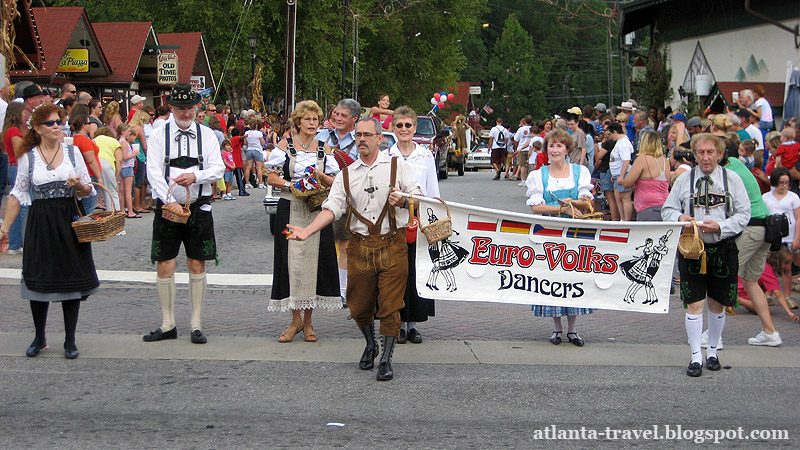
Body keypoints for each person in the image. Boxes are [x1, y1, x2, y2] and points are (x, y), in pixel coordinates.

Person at [286, 117, 423, 381]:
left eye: (367, 135)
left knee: (390, 306)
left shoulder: (398, 166)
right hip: (360, 248)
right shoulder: (347, 174)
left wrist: (404, 201)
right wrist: (306, 230)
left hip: (393, 244)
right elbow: (332, 208)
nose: (361, 139)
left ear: (379, 138)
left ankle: (385, 358)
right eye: (358, 135)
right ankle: (370, 344)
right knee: (359, 306)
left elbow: (418, 195)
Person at [0, 104, 99, 359]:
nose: (57, 126)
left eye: (59, 121)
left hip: (68, 217)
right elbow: (18, 194)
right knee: (39, 277)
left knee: (70, 277)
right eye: (51, 123)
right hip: (40, 220)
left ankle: (70, 339)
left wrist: (79, 186)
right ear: (37, 128)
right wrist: (5, 228)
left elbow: (89, 189)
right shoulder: (28, 156)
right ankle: (39, 336)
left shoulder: (73, 151)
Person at [662, 133, 751, 377]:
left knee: (718, 302)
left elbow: (744, 214)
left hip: (723, 247)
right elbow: (667, 209)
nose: (705, 157)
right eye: (700, 152)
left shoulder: (732, 179)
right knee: (694, 303)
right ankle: (695, 357)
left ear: (720, 154)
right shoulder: (684, 180)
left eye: (710, 152)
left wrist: (721, 227)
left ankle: (712, 352)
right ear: (694, 154)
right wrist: (679, 218)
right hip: (692, 248)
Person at [142, 83, 224, 345]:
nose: (186, 113)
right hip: (167, 211)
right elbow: (152, 171)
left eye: (190, 108)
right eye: (181, 108)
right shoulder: (158, 134)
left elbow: (218, 169)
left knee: (196, 262)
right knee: (165, 262)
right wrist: (169, 201)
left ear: (196, 107)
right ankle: (168, 324)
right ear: (171, 108)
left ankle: (196, 324)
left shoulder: (208, 135)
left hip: (199, 207)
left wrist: (195, 175)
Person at [264, 100, 342, 342]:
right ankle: (294, 321)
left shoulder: (325, 149)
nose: (312, 124)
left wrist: (319, 178)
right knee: (291, 264)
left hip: (317, 210)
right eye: (307, 119)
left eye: (315, 120)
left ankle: (308, 323)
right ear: (298, 121)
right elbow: (270, 177)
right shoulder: (284, 145)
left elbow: (336, 181)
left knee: (314, 264)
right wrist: (293, 186)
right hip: (290, 208)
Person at [525, 129, 594, 346]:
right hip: (548, 232)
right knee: (552, 278)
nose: (555, 150)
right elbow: (536, 208)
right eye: (551, 146)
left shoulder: (579, 171)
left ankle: (572, 330)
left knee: (573, 277)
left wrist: (573, 204)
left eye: (559, 146)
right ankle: (556, 328)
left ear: (566, 149)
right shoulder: (538, 175)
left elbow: (586, 201)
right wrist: (561, 210)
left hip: (574, 233)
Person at [387, 106, 439, 344]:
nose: (404, 129)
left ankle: (413, 324)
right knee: (395, 272)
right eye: (400, 125)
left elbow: (433, 191)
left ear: (415, 128)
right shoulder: (387, 156)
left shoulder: (425, 156)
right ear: (393, 128)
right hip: (393, 218)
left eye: (408, 125)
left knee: (416, 271)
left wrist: (432, 219)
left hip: (418, 218)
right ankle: (395, 321)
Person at [315, 99, 361, 303]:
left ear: (355, 118)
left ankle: (342, 291)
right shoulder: (321, 136)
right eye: (336, 114)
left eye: (343, 115)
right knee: (319, 244)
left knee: (344, 245)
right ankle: (319, 287)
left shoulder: (360, 139)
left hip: (347, 197)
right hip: (318, 196)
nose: (338, 118)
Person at [761, 167, 800, 325]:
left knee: (786, 267)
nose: (784, 185)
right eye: (781, 182)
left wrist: (797, 237)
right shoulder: (765, 197)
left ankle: (788, 295)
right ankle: (768, 293)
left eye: (786, 183)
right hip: (771, 237)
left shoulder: (793, 197)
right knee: (768, 265)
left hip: (788, 236)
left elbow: (798, 218)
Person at [621, 130, 669, 221]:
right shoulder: (664, 160)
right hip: (665, 205)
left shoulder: (642, 159)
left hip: (647, 208)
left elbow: (627, 182)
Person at [2, 102, 27, 254]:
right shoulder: (15, 131)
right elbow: (21, 152)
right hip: (18, 166)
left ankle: (15, 243)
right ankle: (20, 241)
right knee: (22, 205)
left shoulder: (10, 130)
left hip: (13, 166)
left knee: (17, 204)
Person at [70, 114, 103, 213]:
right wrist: (99, 177)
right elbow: (91, 160)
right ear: (84, 126)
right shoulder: (84, 140)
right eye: (89, 123)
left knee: (84, 206)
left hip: (83, 173)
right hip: (90, 174)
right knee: (89, 206)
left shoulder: (74, 138)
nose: (90, 125)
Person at [607, 122, 634, 221]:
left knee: (625, 198)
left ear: (614, 132)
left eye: (609, 133)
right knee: (617, 196)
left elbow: (626, 160)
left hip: (624, 173)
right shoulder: (619, 142)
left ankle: (626, 220)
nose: (609, 136)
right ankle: (622, 218)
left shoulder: (624, 143)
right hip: (617, 173)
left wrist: (622, 176)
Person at [93, 126, 122, 211]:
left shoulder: (94, 140)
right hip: (106, 164)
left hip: (94, 163)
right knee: (111, 193)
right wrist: (116, 178)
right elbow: (119, 160)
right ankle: (114, 217)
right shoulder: (114, 141)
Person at [130, 110, 150, 214]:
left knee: (134, 182)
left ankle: (134, 204)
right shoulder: (139, 129)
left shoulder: (130, 127)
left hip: (132, 157)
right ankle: (137, 206)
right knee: (139, 182)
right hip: (140, 156)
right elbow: (144, 146)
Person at [117, 123, 139, 218]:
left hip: (123, 167)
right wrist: (134, 154)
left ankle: (122, 209)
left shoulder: (120, 141)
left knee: (122, 190)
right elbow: (125, 157)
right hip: (128, 167)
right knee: (128, 190)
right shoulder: (124, 142)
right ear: (123, 132)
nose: (129, 133)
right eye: (128, 131)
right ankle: (130, 211)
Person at [243, 117, 266, 189]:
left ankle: (247, 183)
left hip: (249, 150)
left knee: (248, 167)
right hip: (257, 150)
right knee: (259, 168)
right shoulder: (259, 133)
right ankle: (260, 183)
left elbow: (245, 142)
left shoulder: (247, 133)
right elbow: (262, 143)